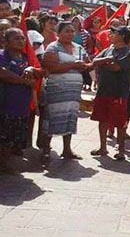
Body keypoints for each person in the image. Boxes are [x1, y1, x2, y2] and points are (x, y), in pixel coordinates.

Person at [40, 21, 93, 166]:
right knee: (52, 117)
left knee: (70, 116)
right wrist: (73, 65)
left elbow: (88, 64)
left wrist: (88, 65)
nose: (70, 34)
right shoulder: (53, 47)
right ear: (59, 33)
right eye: (66, 31)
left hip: (73, 91)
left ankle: (67, 149)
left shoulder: (78, 47)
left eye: (71, 31)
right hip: (57, 88)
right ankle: (46, 149)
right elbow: (51, 67)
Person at [90, 26, 130, 160]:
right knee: (102, 120)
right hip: (103, 90)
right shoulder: (108, 49)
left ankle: (121, 150)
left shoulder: (129, 53)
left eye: (114, 33)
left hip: (119, 93)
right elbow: (94, 61)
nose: (111, 35)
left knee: (120, 123)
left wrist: (102, 62)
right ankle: (103, 147)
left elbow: (115, 67)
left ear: (122, 36)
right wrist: (105, 60)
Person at [0, 29, 41, 171]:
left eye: (23, 38)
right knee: (4, 137)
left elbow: (42, 71)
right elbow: (3, 73)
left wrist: (32, 69)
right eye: (16, 38)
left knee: (11, 138)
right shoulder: (1, 56)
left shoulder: (25, 58)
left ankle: (5, 164)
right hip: (5, 105)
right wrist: (24, 82)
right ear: (5, 41)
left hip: (20, 106)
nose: (21, 41)